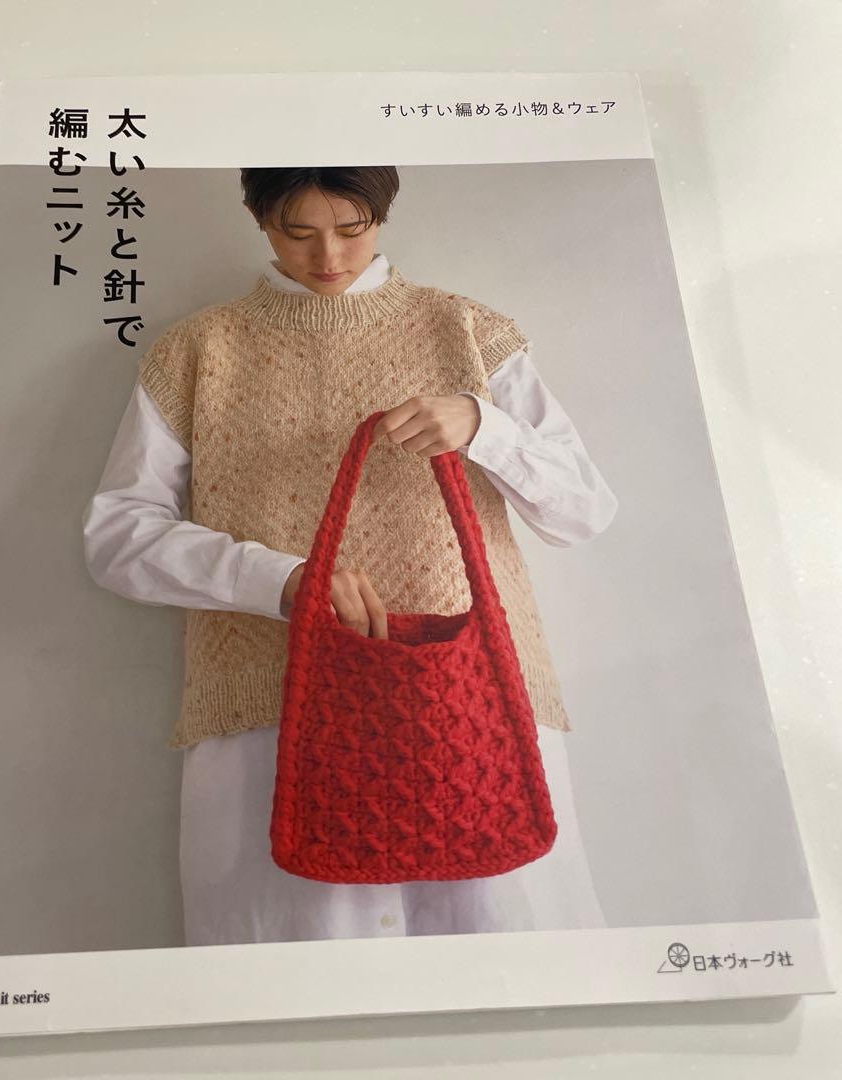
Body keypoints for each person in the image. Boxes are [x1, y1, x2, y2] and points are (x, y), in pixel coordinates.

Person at [83, 166, 618, 946]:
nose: (328, 256)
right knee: (298, 989)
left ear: (383, 214)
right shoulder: (199, 349)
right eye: (297, 232)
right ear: (258, 218)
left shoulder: (468, 330)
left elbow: (584, 512)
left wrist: (484, 426)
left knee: (504, 969)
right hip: (271, 709)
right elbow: (118, 537)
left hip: (472, 703)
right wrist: (282, 581)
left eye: (352, 228)